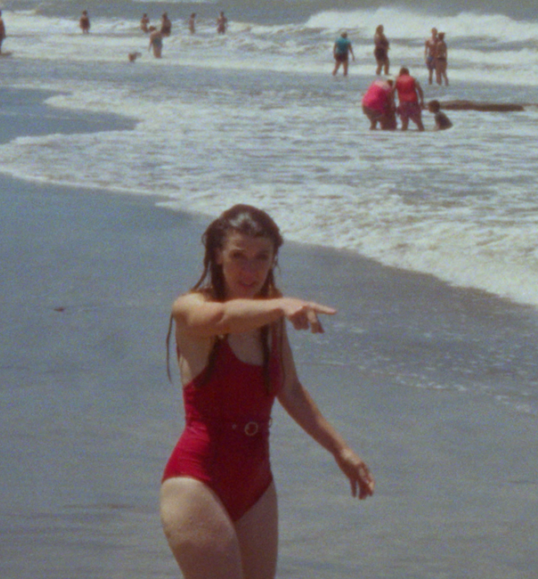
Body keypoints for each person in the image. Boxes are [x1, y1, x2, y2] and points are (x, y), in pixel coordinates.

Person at [161, 204, 374, 579]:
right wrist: (280, 304)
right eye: (238, 256)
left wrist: (341, 450)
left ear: (275, 258)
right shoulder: (190, 307)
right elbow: (221, 318)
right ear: (217, 255)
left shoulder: (270, 322)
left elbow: (289, 390)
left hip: (256, 483)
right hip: (197, 479)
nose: (250, 269)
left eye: (262, 257)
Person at [395, 67, 425, 131]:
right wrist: (422, 100)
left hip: (403, 103)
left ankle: (403, 139)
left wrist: (392, 103)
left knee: (404, 124)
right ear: (408, 73)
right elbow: (419, 89)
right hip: (413, 101)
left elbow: (392, 91)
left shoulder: (397, 80)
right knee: (419, 122)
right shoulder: (413, 79)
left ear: (400, 73)